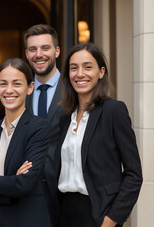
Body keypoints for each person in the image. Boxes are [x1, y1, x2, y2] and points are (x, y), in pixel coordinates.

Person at [55, 42, 142, 227]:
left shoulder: (114, 111)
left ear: (101, 72)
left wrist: (110, 221)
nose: (80, 74)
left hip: (98, 214)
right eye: (73, 68)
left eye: (88, 67)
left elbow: (134, 175)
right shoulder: (64, 118)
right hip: (65, 213)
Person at [0, 58, 51, 227]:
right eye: (3, 84)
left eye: (17, 84)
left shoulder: (39, 128)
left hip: (26, 221)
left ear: (30, 88)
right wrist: (11, 183)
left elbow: (24, 184)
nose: (9, 90)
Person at [24, 24, 63, 226]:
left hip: (66, 193)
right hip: (27, 193)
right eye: (33, 49)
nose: (39, 54)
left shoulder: (74, 88)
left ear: (57, 51)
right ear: (27, 53)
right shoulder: (20, 92)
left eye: (45, 48)